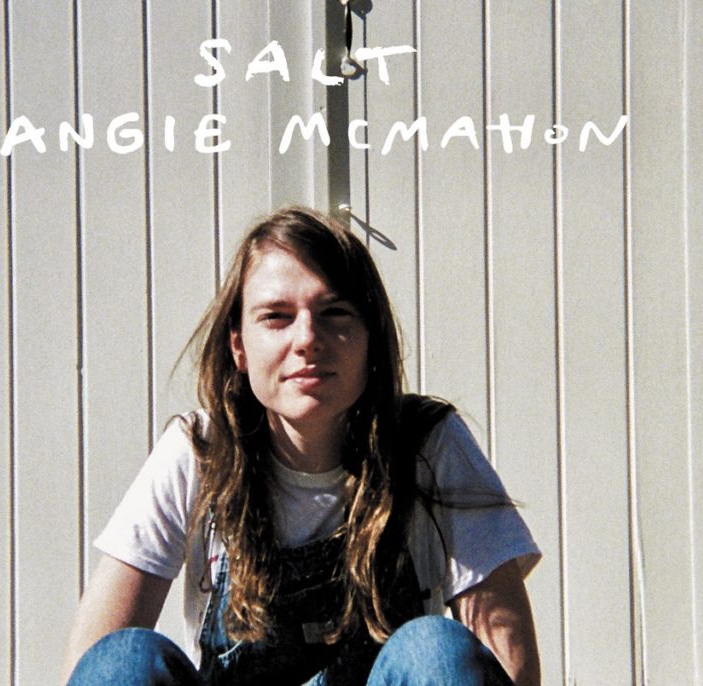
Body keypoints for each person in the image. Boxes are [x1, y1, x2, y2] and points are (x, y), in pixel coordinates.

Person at [62, 206, 542, 685]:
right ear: (238, 346)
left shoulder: (427, 444)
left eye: (334, 313)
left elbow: (510, 664)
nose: (308, 339)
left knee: (433, 650)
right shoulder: (202, 451)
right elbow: (95, 664)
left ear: (370, 338)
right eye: (277, 317)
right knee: (125, 656)